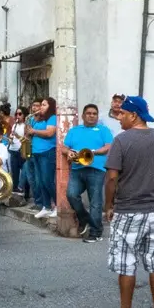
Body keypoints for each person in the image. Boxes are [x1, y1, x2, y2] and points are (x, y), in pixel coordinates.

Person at [99, 96, 154, 308]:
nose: (119, 117)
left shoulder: (121, 141)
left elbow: (112, 177)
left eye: (122, 114)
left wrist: (109, 205)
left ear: (134, 115)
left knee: (126, 262)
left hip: (128, 210)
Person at [64, 104, 115, 243]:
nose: (91, 115)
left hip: (96, 169)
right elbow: (64, 147)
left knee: (95, 202)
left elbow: (109, 146)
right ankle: (85, 218)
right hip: (77, 169)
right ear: (83, 115)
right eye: (88, 113)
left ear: (97, 116)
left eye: (94, 113)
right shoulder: (74, 130)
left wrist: (93, 152)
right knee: (71, 194)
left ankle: (95, 232)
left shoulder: (103, 130)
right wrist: (68, 152)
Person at [27, 97, 59, 219]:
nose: (41, 107)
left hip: (48, 152)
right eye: (41, 105)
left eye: (44, 105)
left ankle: (57, 206)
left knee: (47, 181)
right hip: (36, 153)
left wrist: (34, 131)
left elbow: (50, 133)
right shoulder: (38, 120)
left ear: (50, 107)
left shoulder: (52, 118)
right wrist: (29, 128)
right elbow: (29, 133)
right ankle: (46, 207)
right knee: (40, 181)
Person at [9, 109, 26, 193]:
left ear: (24, 115)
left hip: (21, 150)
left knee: (24, 172)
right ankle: (15, 191)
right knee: (14, 172)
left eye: (20, 114)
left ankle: (25, 193)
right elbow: (12, 138)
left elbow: (25, 139)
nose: (17, 116)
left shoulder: (25, 126)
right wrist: (10, 140)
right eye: (16, 114)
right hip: (13, 149)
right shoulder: (14, 125)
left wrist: (16, 135)